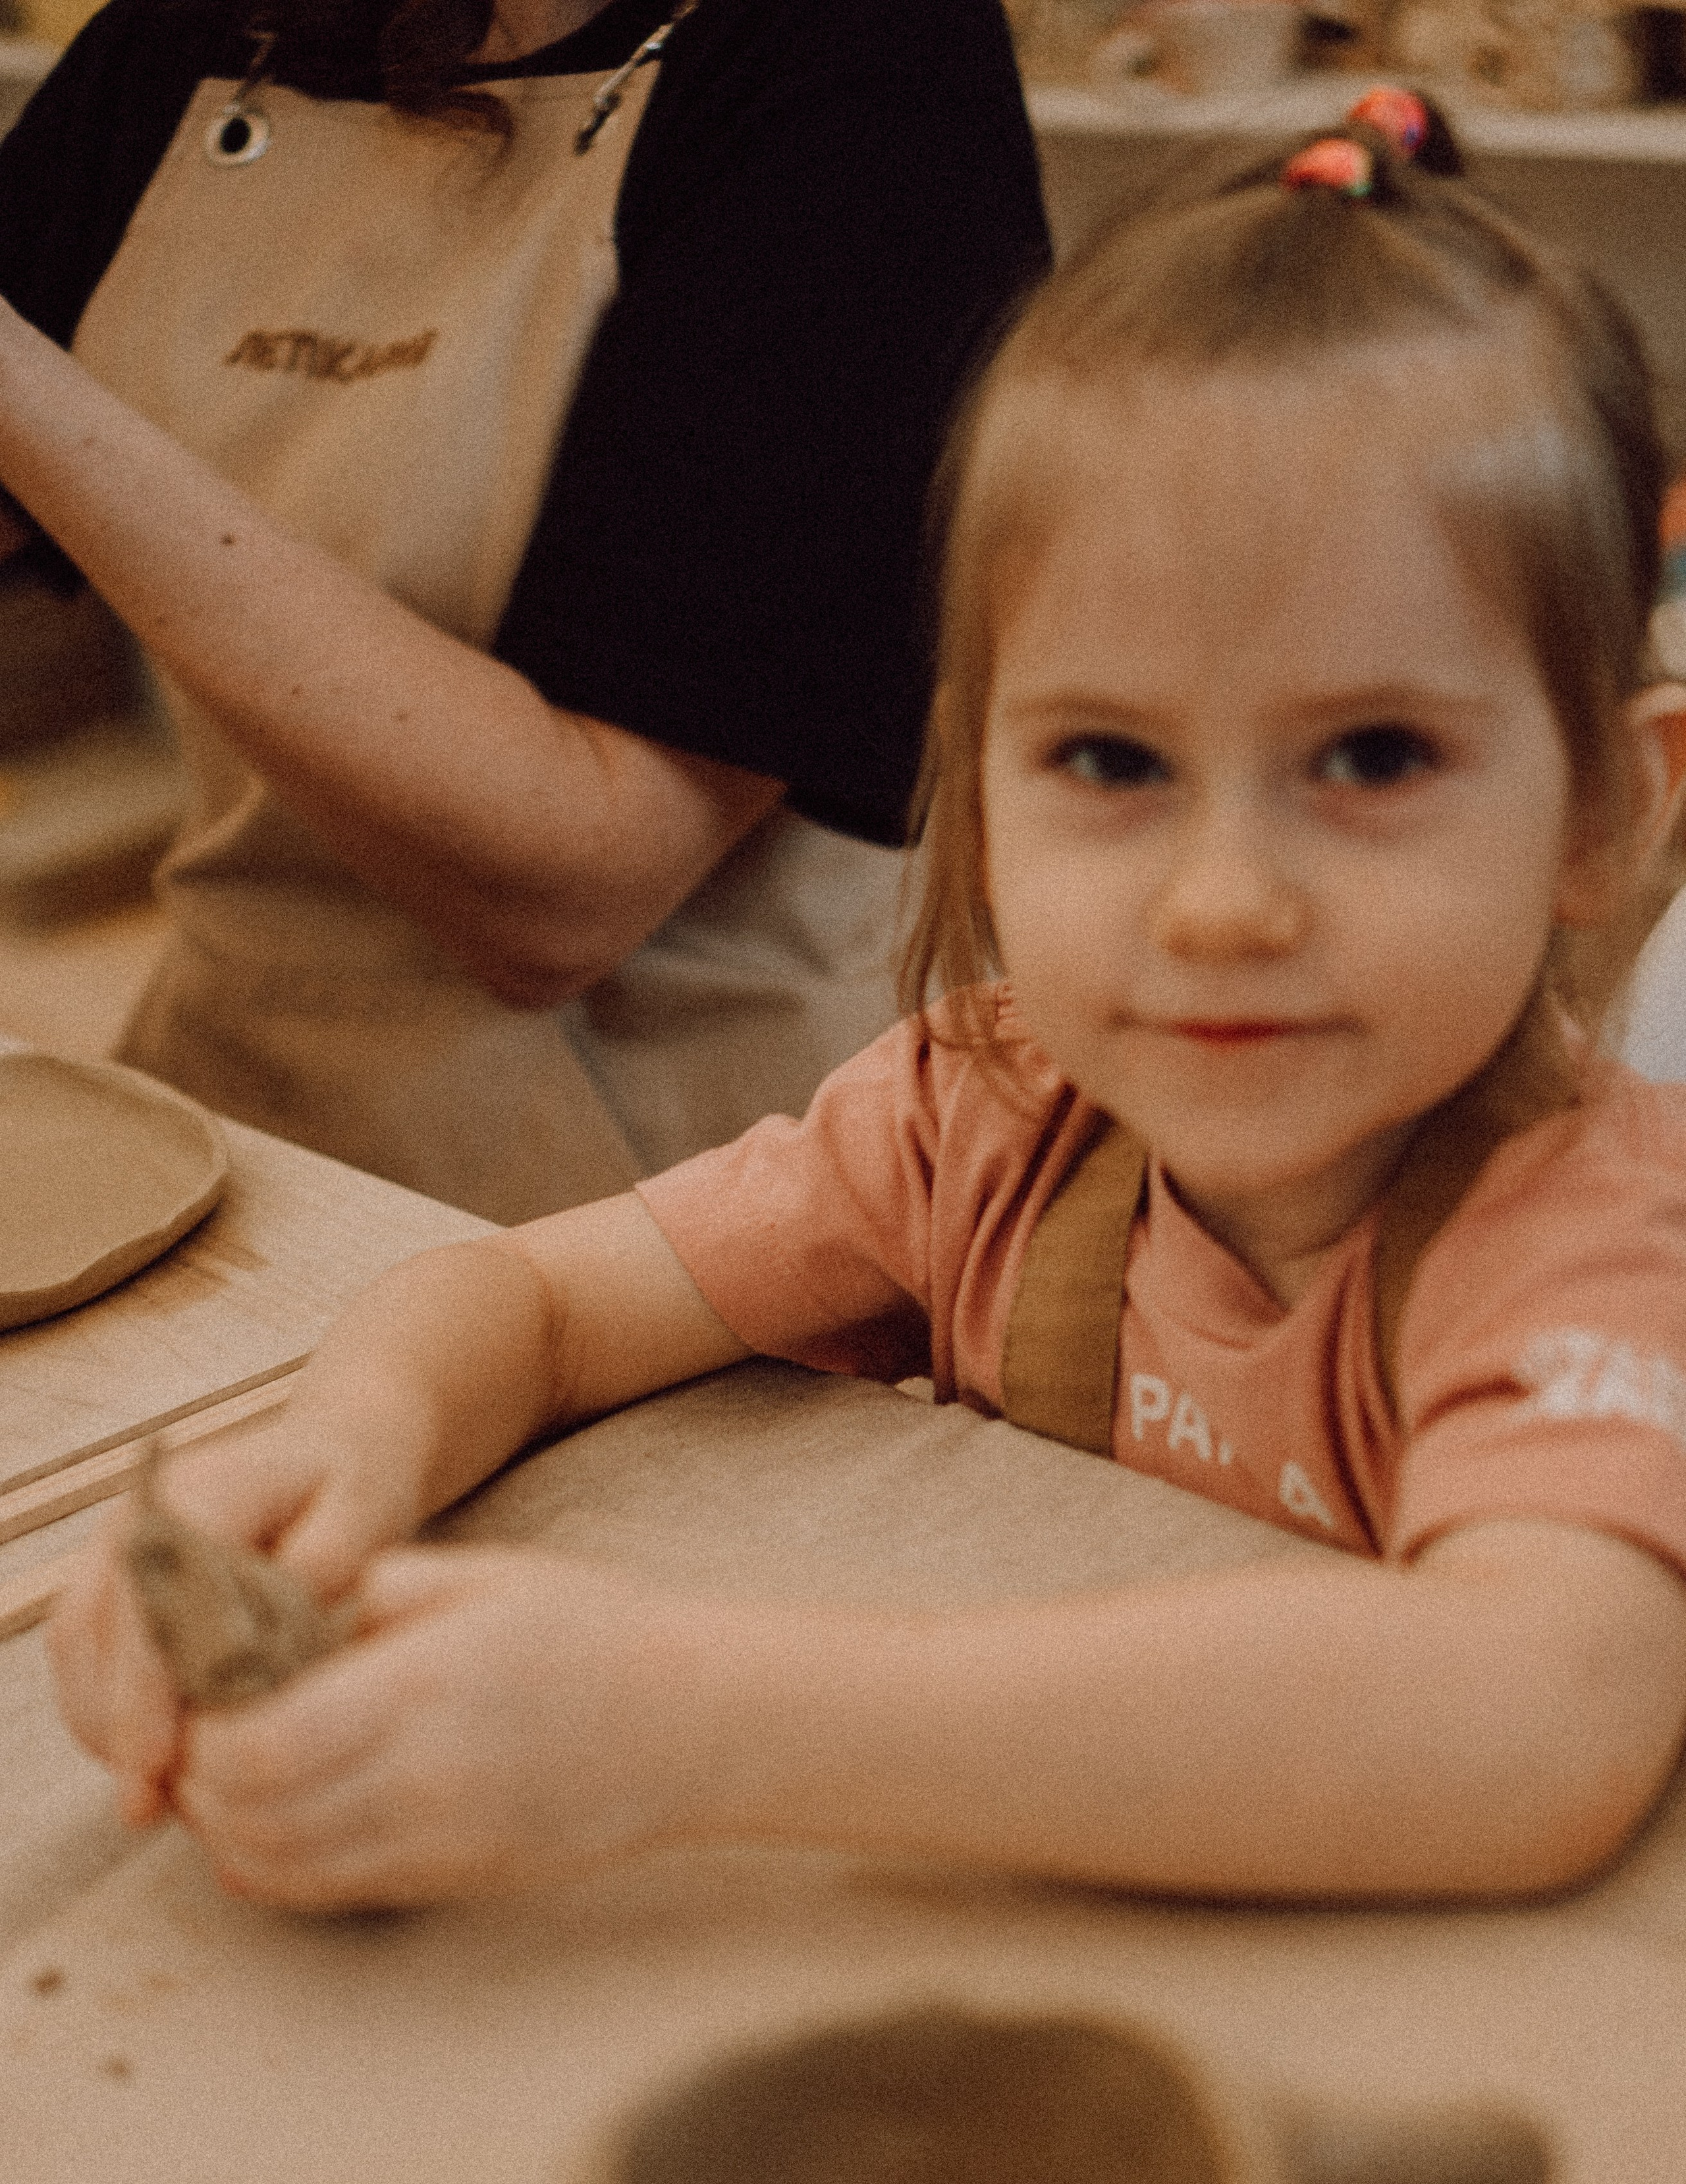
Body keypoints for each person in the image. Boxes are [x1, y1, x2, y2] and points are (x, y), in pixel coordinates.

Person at [49, 90, 1686, 1913]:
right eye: (1110, 759)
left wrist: (676, 1730)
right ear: (969, 789)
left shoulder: (1598, 1239)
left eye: (1373, 756)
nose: (1224, 904)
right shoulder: (979, 1115)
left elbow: (1534, 1718)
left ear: (1610, 815)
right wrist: (331, 1454)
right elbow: (532, 1299)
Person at [0, 0, 1050, 1222]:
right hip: (239, 1119)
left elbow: (575, 888)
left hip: (690, 1216)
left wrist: (26, 392)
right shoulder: (197, 39)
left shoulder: (857, 66)